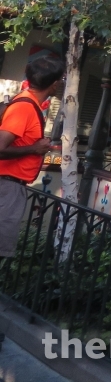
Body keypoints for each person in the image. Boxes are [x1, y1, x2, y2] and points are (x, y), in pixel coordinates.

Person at [0, 56, 63, 257]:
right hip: (7, 187)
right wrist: (34, 149)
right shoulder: (24, 108)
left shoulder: (25, 102)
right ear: (54, 85)